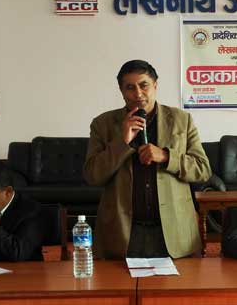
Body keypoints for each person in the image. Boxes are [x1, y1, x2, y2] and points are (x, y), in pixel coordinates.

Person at [84, 59, 211, 259]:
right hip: (122, 232)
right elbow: (93, 176)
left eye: (144, 85)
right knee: (116, 280)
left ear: (155, 85)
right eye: (130, 87)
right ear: (121, 91)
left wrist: (166, 156)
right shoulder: (103, 124)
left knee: (183, 280)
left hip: (174, 232)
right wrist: (122, 142)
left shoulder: (181, 120)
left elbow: (202, 170)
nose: (138, 94)